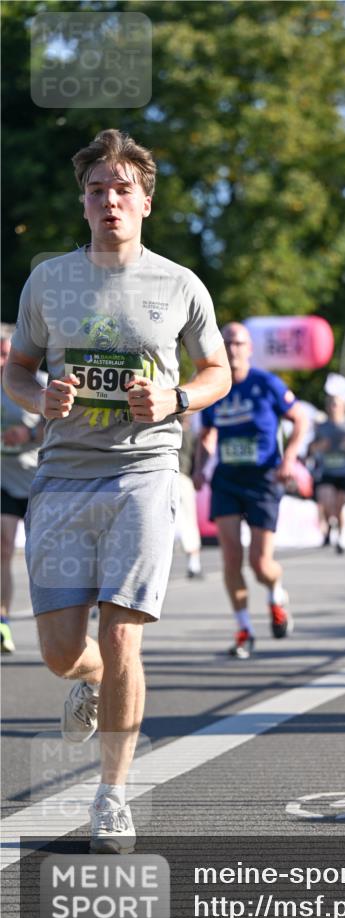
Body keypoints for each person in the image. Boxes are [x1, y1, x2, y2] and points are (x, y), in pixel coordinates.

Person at [3, 129, 231, 853]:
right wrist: (44, 398)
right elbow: (17, 370)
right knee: (62, 652)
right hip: (63, 474)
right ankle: (89, 679)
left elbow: (217, 370)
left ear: (145, 203)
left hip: (145, 469)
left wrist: (175, 401)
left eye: (122, 190)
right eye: (97, 191)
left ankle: (112, 796)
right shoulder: (48, 280)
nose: (109, 201)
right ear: (83, 202)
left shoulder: (179, 285)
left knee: (123, 630)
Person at [193, 322, 307, 658]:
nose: (232, 349)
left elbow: (300, 420)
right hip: (227, 479)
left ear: (249, 348)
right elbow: (206, 434)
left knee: (260, 563)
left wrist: (289, 458)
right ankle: (244, 628)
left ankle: (276, 594)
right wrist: (200, 467)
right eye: (226, 343)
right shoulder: (215, 387)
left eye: (238, 343)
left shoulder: (266, 383)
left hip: (263, 479)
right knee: (230, 559)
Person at [1, 329, 44, 654]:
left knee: (43, 556)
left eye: (6, 354)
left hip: (39, 480)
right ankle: (3, 623)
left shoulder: (38, 383)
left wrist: (28, 433)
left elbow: (62, 422)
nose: (2, 362)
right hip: (4, 480)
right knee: (2, 548)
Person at [309, 395, 345, 554]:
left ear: (344, 407)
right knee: (326, 500)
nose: (334, 407)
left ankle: (339, 536)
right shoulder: (322, 426)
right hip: (326, 470)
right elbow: (312, 448)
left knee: (339, 506)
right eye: (331, 404)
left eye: (337, 404)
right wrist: (320, 446)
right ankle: (328, 526)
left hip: (344, 472)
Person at [176, 412, 204, 578]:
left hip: (166, 477)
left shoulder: (169, 432)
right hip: (184, 478)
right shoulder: (192, 435)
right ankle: (194, 563)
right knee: (189, 520)